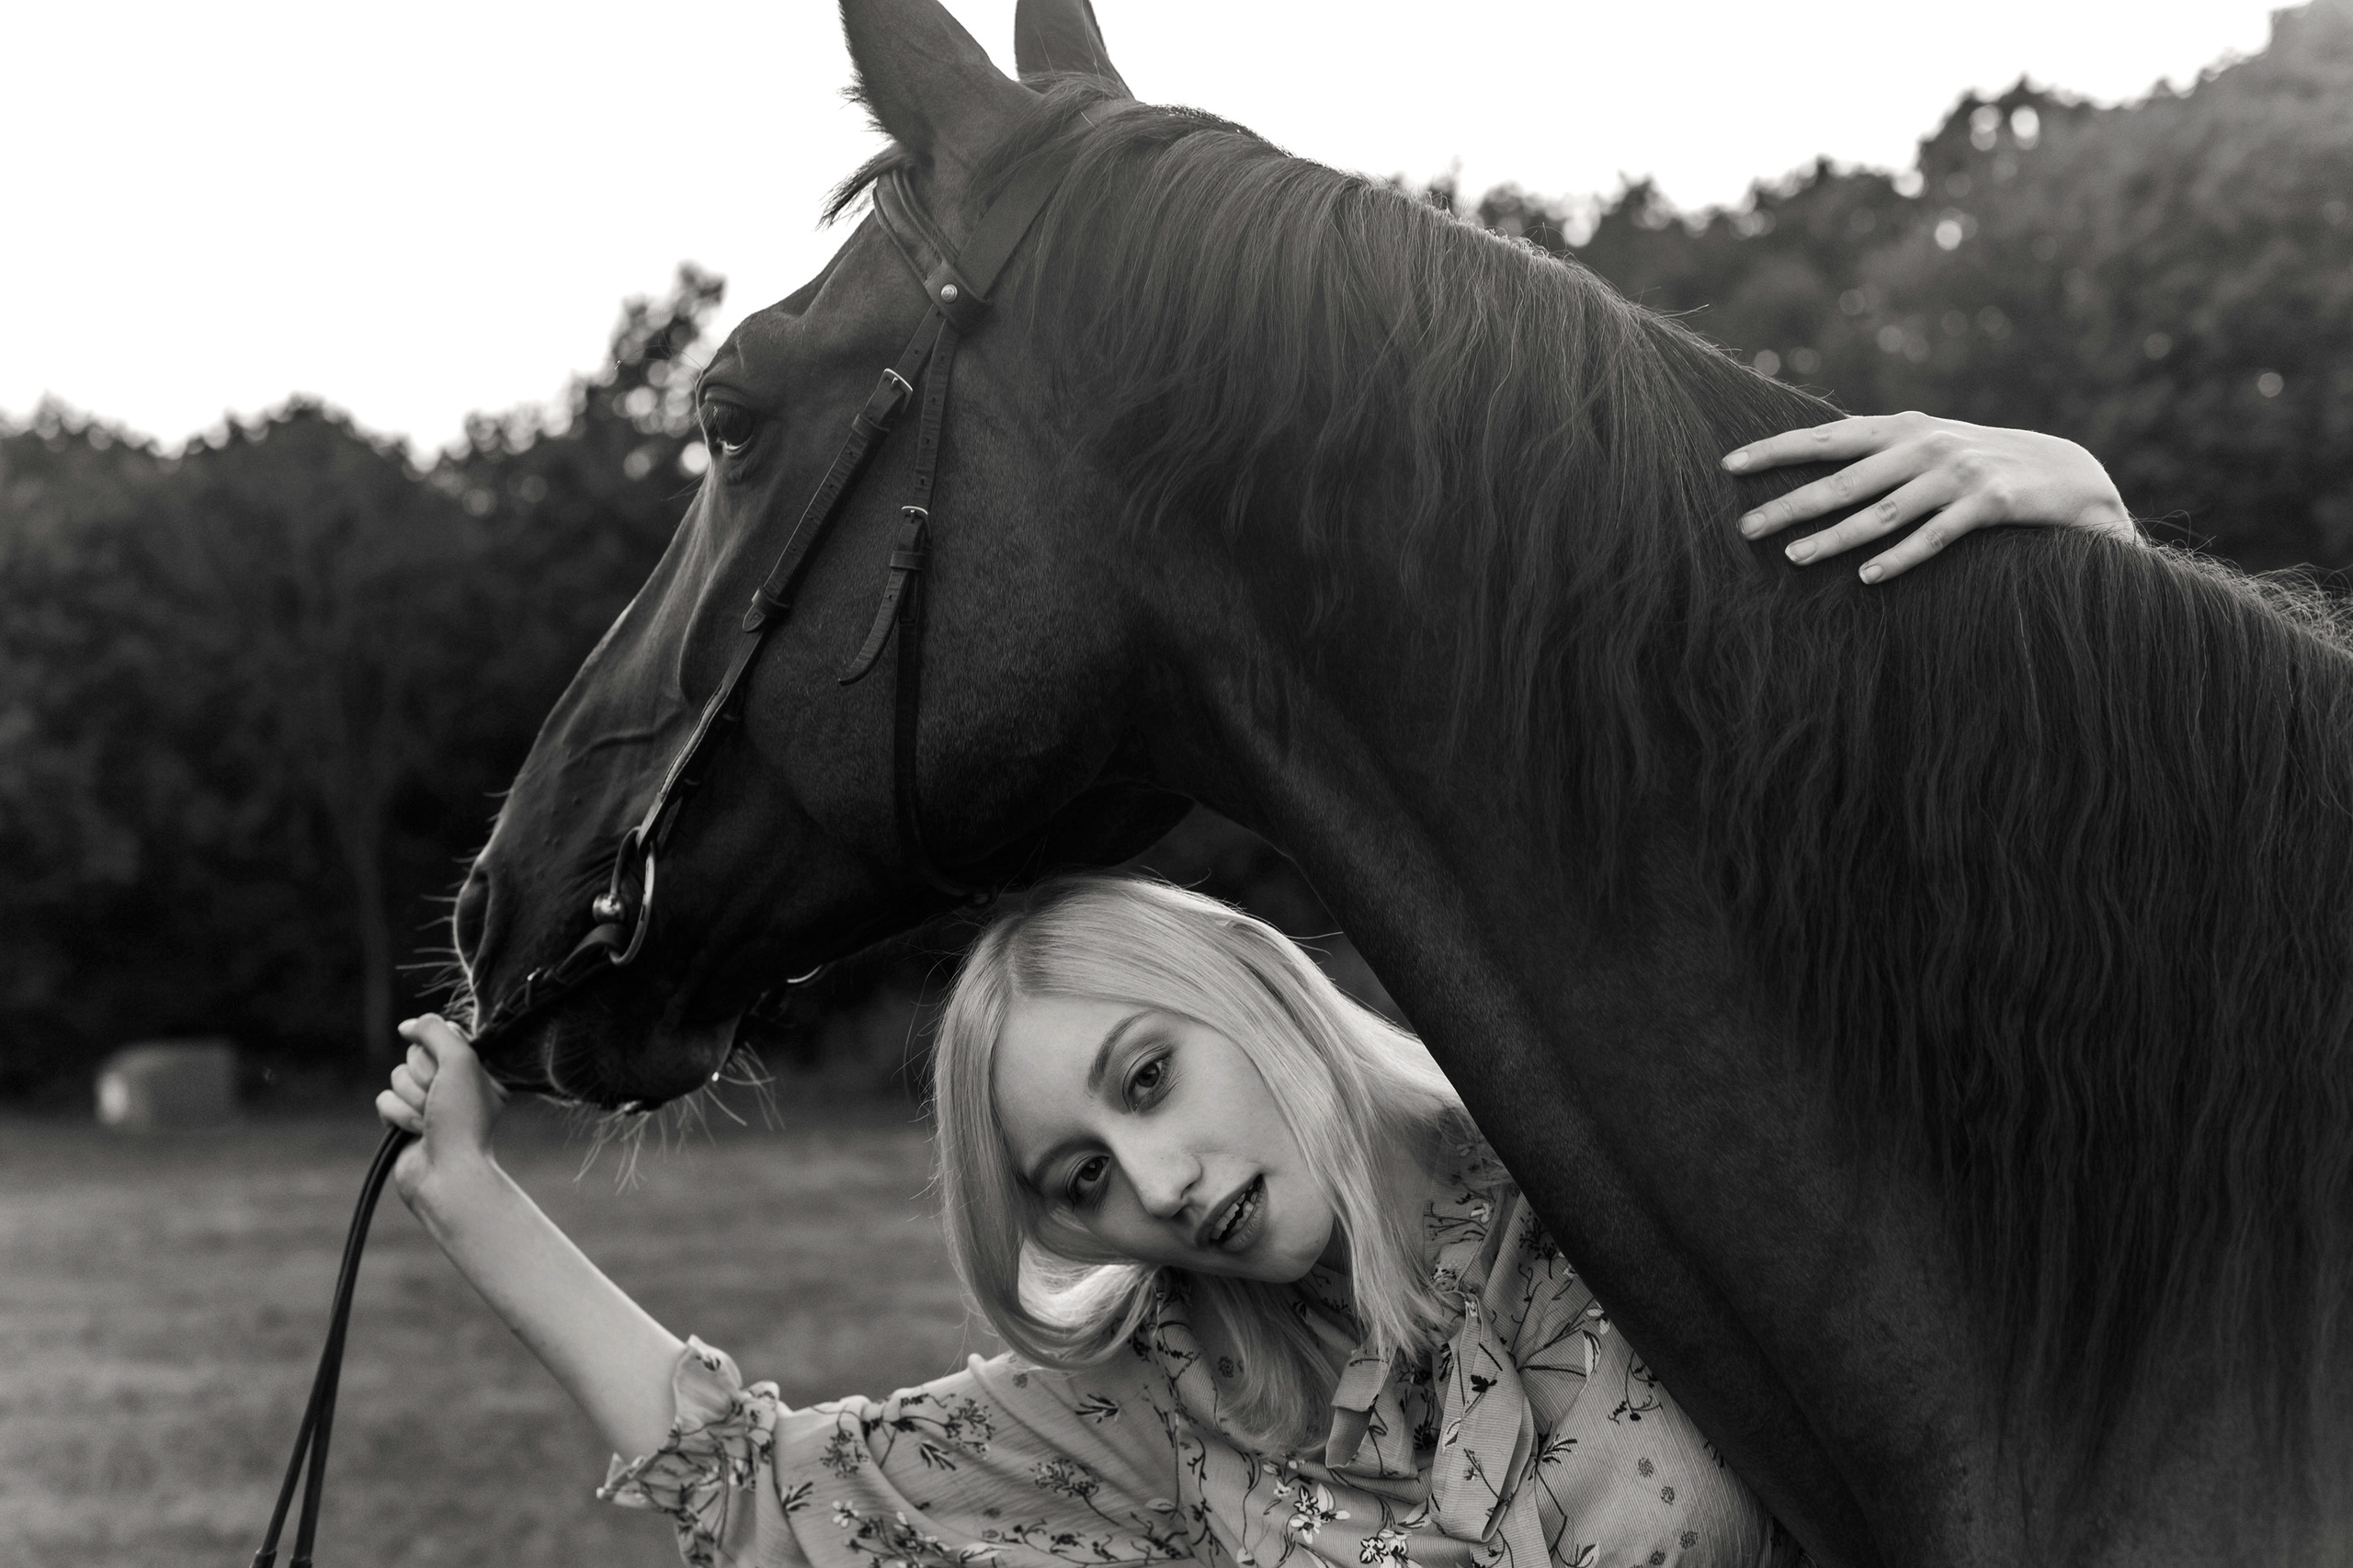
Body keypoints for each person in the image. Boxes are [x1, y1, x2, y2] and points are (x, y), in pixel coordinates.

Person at [379, 415, 2138, 1568]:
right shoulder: (1157, 1403)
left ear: (1250, 995)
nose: (1152, 1190)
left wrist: (2093, 549)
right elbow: (766, 1492)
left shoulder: (1620, 1151)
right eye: (1077, 1181)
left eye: (1143, 1081)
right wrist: (468, 1195)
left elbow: (2054, 1018)